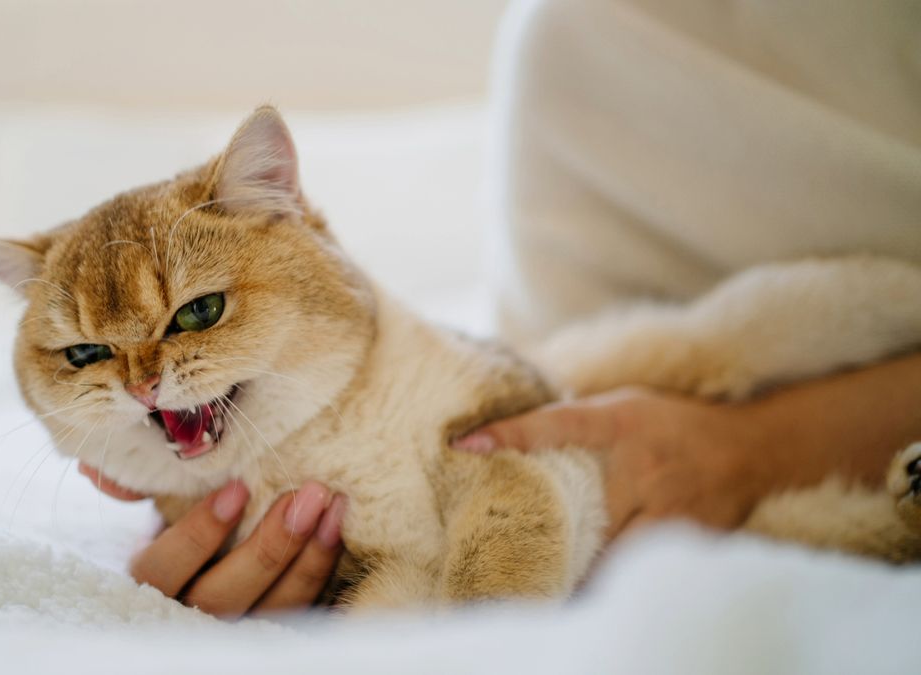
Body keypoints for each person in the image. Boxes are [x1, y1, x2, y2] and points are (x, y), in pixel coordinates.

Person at [83, 0, 921, 615]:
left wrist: (741, 450)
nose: (148, 372)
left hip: (620, 415)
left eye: (191, 314)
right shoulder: (563, 41)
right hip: (564, 401)